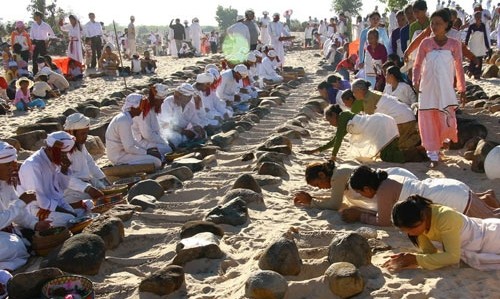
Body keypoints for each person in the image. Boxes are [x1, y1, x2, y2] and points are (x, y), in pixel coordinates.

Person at [344, 166, 500, 226]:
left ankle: (487, 200)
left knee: (492, 220)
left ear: (366, 187)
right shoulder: (388, 178)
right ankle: (487, 197)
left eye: (360, 192)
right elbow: (386, 213)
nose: (362, 196)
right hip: (449, 188)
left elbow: (384, 221)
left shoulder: (384, 191)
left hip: (453, 198)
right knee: (489, 214)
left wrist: (360, 216)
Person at [384, 195, 500, 271]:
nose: (410, 234)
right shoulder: (421, 224)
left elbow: (452, 257)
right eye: (405, 231)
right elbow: (429, 252)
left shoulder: (445, 217)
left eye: (411, 229)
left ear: (423, 217)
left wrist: (415, 259)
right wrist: (406, 259)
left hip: (492, 236)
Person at [413, 8, 465, 167]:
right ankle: (433, 155)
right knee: (428, 119)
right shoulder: (426, 43)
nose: (434, 26)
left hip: (445, 89)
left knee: (444, 117)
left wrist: (462, 89)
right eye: (432, 23)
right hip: (427, 88)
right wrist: (416, 80)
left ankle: (441, 143)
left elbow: (459, 68)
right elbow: (417, 64)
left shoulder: (454, 44)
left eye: (438, 23)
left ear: (447, 24)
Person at [301, 104, 421, 163]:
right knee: (390, 153)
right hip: (382, 123)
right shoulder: (344, 120)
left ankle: (418, 153)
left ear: (334, 115)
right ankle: (418, 152)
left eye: (329, 120)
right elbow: (334, 141)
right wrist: (315, 150)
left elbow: (337, 141)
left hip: (380, 125)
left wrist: (333, 157)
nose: (330, 123)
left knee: (388, 156)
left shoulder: (343, 117)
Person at [0, 142, 51, 271]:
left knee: (23, 244)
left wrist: (34, 224)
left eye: (14, 163)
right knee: (14, 246)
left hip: (5, 232)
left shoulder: (5, 182)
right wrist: (22, 202)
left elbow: (17, 212)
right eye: (8, 165)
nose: (13, 167)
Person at [293, 160, 417, 210]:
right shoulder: (338, 174)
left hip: (393, 182)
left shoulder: (337, 177)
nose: (320, 188)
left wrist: (310, 201)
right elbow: (335, 199)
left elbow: (334, 204)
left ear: (321, 175)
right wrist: (313, 199)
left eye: (318, 185)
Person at [17, 131, 79, 227]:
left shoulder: (53, 160)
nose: (64, 157)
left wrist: (64, 169)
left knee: (85, 209)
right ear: (50, 150)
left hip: (55, 203)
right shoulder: (33, 165)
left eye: (66, 154)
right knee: (69, 219)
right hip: (36, 209)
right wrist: (68, 213)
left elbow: (62, 188)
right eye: (62, 154)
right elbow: (39, 200)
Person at [105, 94, 162, 169]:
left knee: (155, 156)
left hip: (123, 153)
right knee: (156, 162)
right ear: (133, 107)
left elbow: (132, 141)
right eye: (141, 106)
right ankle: (122, 166)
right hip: (119, 156)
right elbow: (129, 148)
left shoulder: (125, 118)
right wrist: (146, 152)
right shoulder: (123, 120)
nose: (142, 110)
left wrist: (146, 150)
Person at [63, 113, 109, 205]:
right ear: (72, 133)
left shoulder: (80, 144)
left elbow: (90, 163)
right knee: (91, 202)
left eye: (86, 133)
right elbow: (65, 178)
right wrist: (87, 188)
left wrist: (103, 179)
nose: (86, 136)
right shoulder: (63, 149)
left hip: (87, 182)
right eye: (83, 133)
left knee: (105, 189)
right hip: (71, 190)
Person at [132, 84, 172, 160]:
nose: (162, 103)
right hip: (141, 142)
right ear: (156, 99)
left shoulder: (152, 108)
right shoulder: (144, 110)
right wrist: (162, 141)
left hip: (151, 139)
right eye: (161, 101)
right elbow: (147, 134)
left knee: (170, 145)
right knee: (167, 149)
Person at [465, 11, 490, 79]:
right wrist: (466, 44)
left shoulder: (483, 26)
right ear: (475, 18)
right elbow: (467, 36)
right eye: (477, 17)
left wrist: (487, 46)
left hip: (480, 44)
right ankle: (470, 70)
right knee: (473, 59)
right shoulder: (471, 26)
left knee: (480, 59)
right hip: (473, 44)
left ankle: (477, 74)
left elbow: (485, 36)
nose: (478, 18)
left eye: (479, 17)